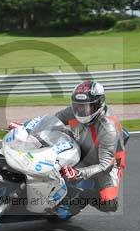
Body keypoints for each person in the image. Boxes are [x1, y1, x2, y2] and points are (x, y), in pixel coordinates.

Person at [53, 80, 126, 216]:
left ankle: (85, 196)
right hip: (82, 147)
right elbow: (53, 120)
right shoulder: (75, 112)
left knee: (108, 204)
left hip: (108, 162)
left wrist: (79, 173)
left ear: (97, 105)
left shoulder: (108, 128)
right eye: (77, 106)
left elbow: (105, 165)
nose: (80, 110)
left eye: (85, 107)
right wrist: (26, 127)